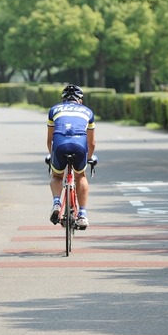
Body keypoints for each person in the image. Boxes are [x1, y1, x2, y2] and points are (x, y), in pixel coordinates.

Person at [47, 84, 96, 229]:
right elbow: (91, 142)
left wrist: (52, 155)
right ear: (80, 99)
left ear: (63, 99)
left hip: (60, 144)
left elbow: (49, 140)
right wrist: (89, 158)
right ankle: (82, 214)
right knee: (80, 175)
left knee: (57, 176)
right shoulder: (88, 112)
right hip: (80, 145)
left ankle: (56, 202)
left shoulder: (54, 110)